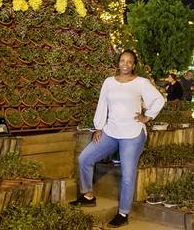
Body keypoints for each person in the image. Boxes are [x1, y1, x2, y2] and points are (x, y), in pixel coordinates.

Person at [70, 49, 165, 228]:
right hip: (111, 131)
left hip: (132, 134)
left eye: (129, 62)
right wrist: (99, 127)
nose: (125, 64)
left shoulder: (141, 83)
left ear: (134, 65)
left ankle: (123, 213)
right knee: (85, 158)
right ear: (118, 62)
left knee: (128, 175)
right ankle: (88, 195)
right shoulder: (109, 82)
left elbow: (159, 100)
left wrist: (148, 116)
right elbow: (102, 105)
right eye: (123, 60)